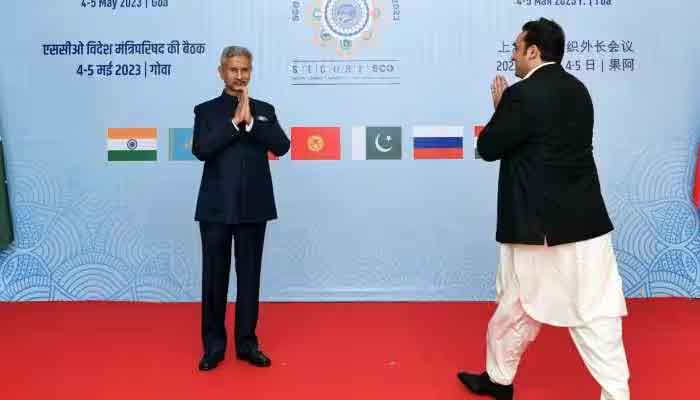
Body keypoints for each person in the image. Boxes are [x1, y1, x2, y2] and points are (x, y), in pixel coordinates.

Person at [457, 18, 630, 400]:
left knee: (526, 307)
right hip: (585, 222)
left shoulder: (522, 95)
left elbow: (488, 149)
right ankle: (501, 379)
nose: (513, 56)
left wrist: (501, 109)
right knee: (588, 312)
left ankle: (500, 379)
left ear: (534, 51)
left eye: (517, 49)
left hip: (538, 230)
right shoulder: (579, 90)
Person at [192, 45, 290, 371]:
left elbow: (282, 146)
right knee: (214, 279)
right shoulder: (206, 111)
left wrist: (253, 123)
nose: (239, 76)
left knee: (249, 280)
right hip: (215, 210)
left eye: (244, 70)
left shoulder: (265, 109)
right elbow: (202, 150)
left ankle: (247, 345)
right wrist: (234, 124)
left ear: (251, 71)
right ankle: (214, 347)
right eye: (233, 70)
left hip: (254, 209)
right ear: (221, 71)